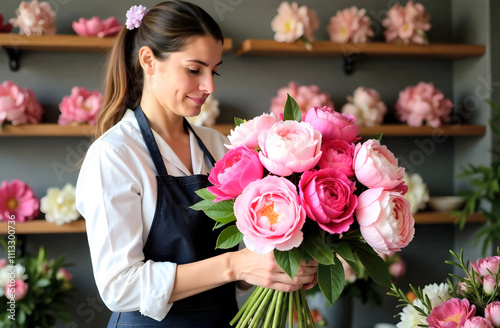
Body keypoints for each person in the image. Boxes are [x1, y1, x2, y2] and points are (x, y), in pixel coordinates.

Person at [75, 1, 318, 327]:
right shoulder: (116, 155)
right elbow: (119, 287)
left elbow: (242, 264)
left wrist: (276, 268)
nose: (210, 86)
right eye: (194, 70)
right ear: (148, 60)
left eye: (214, 70)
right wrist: (236, 266)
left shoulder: (218, 146)